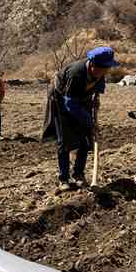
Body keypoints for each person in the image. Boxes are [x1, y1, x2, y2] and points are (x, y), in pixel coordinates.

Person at [42, 46, 119, 191]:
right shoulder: (76, 74)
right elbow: (70, 103)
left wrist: (94, 105)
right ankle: (63, 178)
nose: (107, 71)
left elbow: (97, 91)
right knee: (64, 141)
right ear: (93, 66)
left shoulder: (100, 72)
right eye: (105, 68)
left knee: (85, 139)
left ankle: (78, 174)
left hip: (81, 99)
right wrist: (88, 120)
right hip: (61, 99)